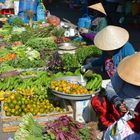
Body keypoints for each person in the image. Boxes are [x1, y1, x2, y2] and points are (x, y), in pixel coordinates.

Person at [92, 53, 140, 133]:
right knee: (97, 100)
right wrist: (117, 101)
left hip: (136, 115)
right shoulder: (124, 71)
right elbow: (110, 88)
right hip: (120, 106)